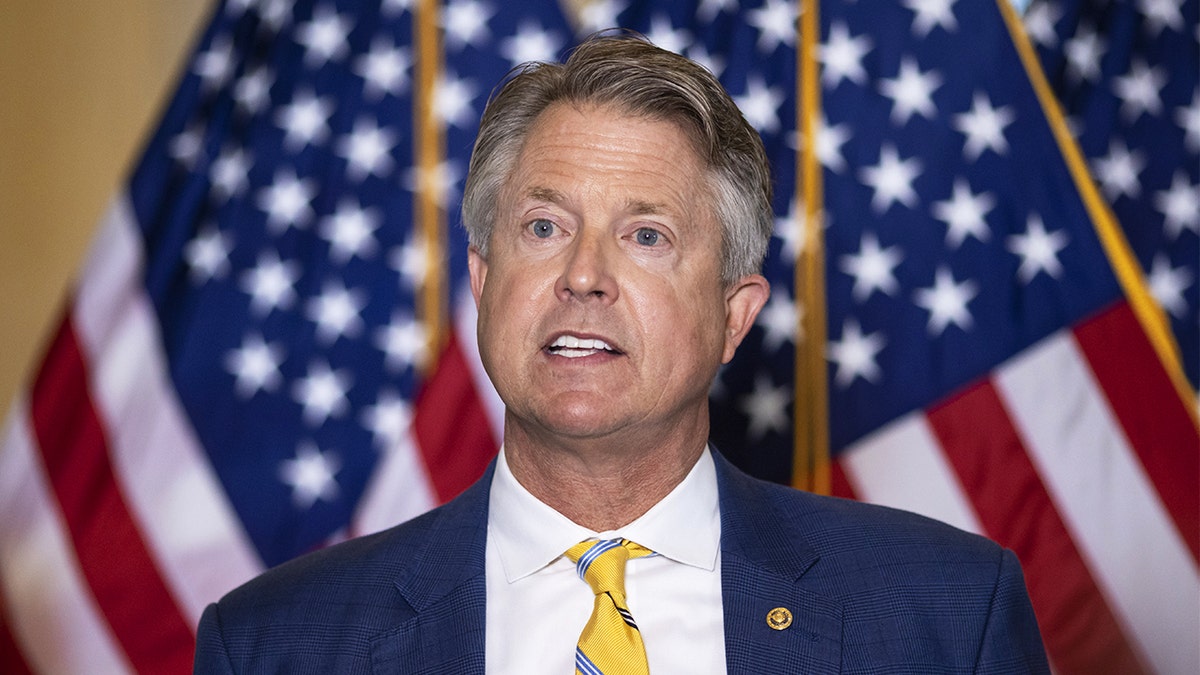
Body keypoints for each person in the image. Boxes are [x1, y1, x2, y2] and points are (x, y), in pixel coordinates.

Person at [194, 35, 1050, 674]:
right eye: (544, 227)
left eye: (646, 235)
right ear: (484, 281)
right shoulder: (275, 644)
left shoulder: (944, 619)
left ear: (733, 315)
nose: (582, 275)